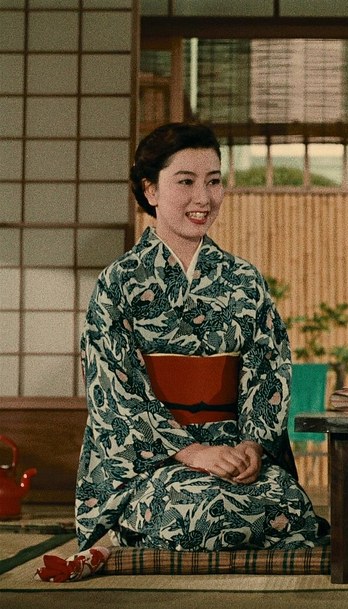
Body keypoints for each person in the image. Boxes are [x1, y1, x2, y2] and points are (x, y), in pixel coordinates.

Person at [75, 122, 327, 552]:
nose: (203, 198)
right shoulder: (120, 282)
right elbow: (114, 392)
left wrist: (252, 446)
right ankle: (128, 525)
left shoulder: (243, 280)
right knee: (203, 510)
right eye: (186, 182)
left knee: (289, 503)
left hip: (232, 452)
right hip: (152, 464)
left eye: (213, 181)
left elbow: (268, 371)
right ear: (151, 190)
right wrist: (192, 453)